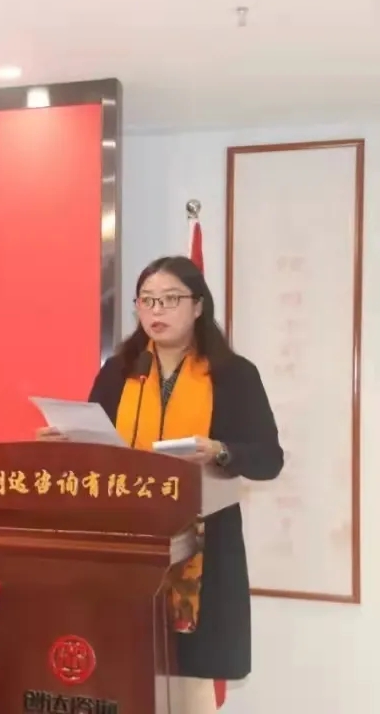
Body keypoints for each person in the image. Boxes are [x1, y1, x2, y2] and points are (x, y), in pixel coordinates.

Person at [37, 255, 283, 714]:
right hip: (124, 546)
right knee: (120, 676)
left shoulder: (233, 374)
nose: (157, 310)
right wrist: (69, 441)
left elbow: (269, 458)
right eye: (147, 300)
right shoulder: (119, 370)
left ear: (198, 306)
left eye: (170, 299)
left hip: (202, 551)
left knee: (185, 686)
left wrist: (220, 450)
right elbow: (99, 446)